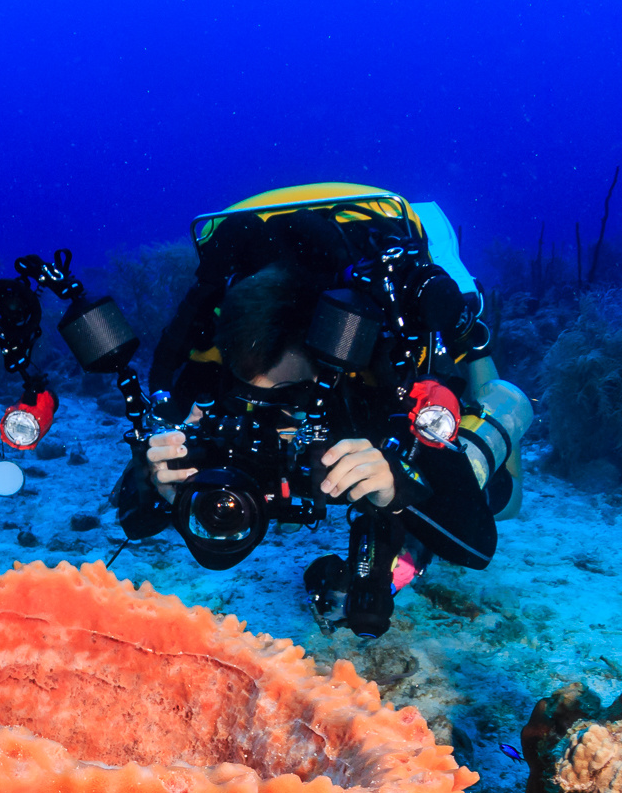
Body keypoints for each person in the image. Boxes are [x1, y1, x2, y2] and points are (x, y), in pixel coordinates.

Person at [114, 185, 533, 637]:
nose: (266, 421)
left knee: (503, 499)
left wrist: (395, 491)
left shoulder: (367, 391)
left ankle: (473, 345)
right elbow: (137, 518)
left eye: (288, 399)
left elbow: (478, 543)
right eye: (248, 396)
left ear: (325, 375)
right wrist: (168, 495)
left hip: (384, 383)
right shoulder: (208, 383)